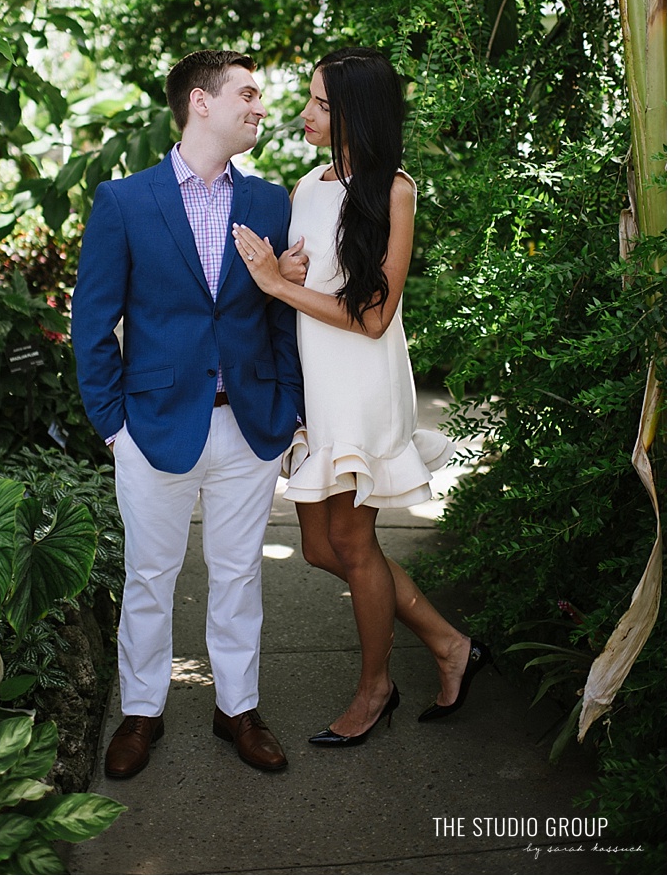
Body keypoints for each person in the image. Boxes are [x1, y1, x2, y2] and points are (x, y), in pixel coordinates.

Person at [232, 46, 490, 747]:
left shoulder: (393, 189)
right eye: (311, 100)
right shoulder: (307, 186)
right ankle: (447, 642)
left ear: (356, 113)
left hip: (364, 388)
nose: (306, 113)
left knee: (351, 538)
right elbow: (312, 288)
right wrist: (287, 273)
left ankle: (376, 688)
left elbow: (374, 316)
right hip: (319, 389)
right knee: (321, 546)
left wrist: (279, 285)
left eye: (321, 103)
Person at [72, 49, 303, 778]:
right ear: (200, 103)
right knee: (148, 575)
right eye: (248, 93)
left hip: (249, 424)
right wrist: (114, 426)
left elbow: (280, 320)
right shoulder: (125, 201)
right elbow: (92, 325)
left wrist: (289, 414)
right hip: (153, 425)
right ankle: (141, 712)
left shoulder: (269, 202)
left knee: (239, 576)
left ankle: (237, 708)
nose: (260, 107)